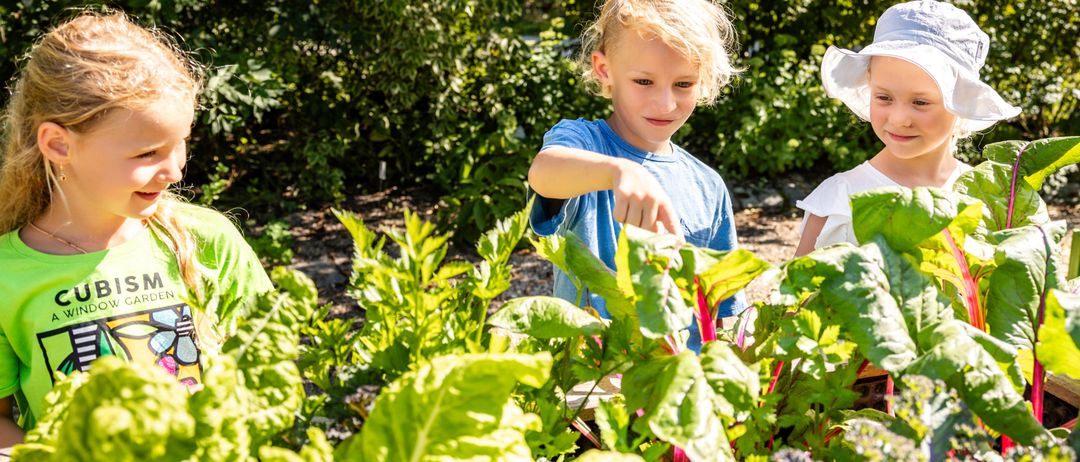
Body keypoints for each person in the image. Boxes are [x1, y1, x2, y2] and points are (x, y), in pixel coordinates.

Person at [0, 12, 273, 443]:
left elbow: (269, 378)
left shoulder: (210, 241)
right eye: (147, 153)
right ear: (58, 144)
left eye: (180, 144)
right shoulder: (5, 275)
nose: (175, 171)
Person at [527, 0, 745, 350]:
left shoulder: (709, 186)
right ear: (604, 69)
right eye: (644, 81)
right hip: (593, 384)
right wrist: (621, 172)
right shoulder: (585, 145)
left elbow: (717, 315)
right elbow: (544, 172)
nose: (665, 103)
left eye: (684, 84)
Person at [795, 0, 1020, 256]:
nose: (900, 118)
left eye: (920, 102)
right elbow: (797, 293)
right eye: (884, 98)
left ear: (960, 101)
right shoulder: (841, 201)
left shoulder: (986, 197)